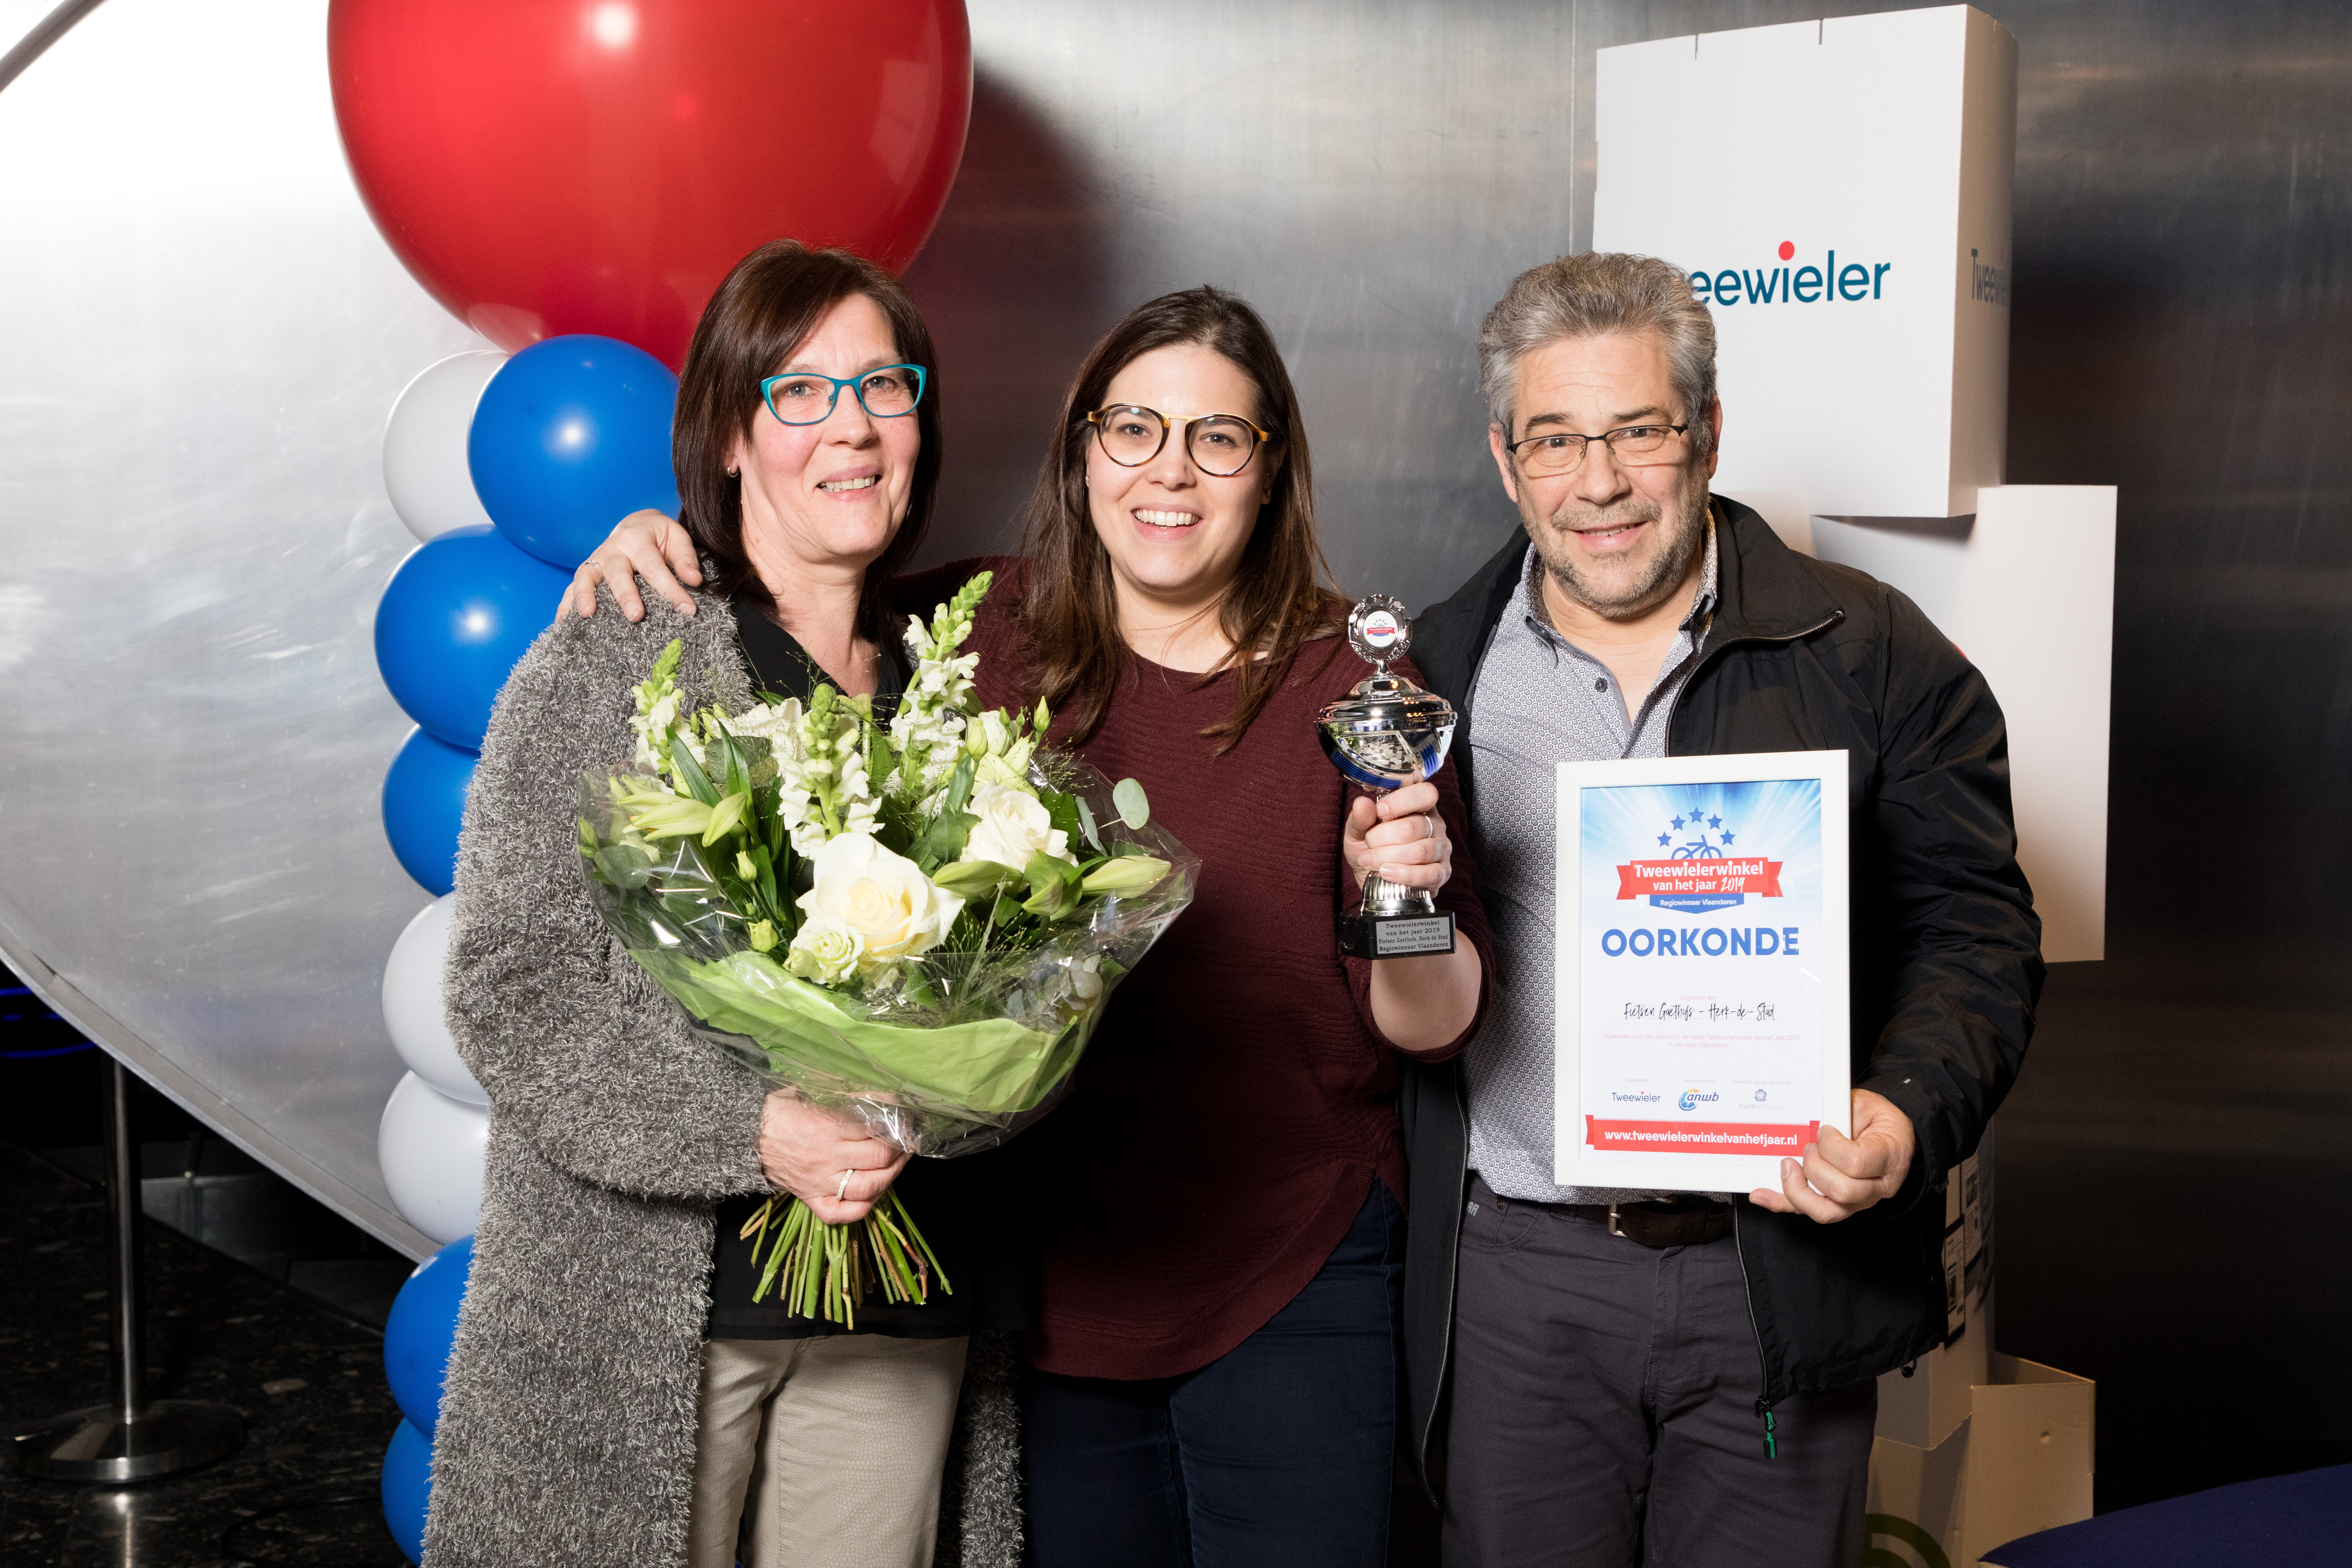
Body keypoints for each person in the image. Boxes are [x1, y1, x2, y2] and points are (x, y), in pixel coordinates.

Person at [568, 285, 1493, 1566]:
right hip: (1050, 1291)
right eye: (1133, 428)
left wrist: (1408, 894)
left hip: (1291, 1269)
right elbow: (792, 587)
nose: (1169, 471)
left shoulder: (1355, 688)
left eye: (1218, 438)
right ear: (1082, 450)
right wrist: (657, 542)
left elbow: (1431, 1028)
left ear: (1271, 470)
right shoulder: (971, 634)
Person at [1396, 251, 2043, 1567]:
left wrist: (1904, 1112)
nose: (1599, 482)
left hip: (1775, 1271)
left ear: (1705, 434)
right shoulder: (1431, 674)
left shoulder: (1870, 651)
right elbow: (1398, 960)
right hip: (1521, 1277)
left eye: (1638, 430)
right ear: (1506, 459)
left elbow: (1974, 930)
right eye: (1555, 439)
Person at [429, 240, 1022, 1568]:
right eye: (799, 392)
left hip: (901, 1303)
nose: (852, 427)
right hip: (657, 1306)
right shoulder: (619, 648)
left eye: (884, 385)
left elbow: (1019, 998)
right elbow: (513, 986)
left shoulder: (958, 684)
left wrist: (979, 1082)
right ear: (729, 438)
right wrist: (753, 1131)